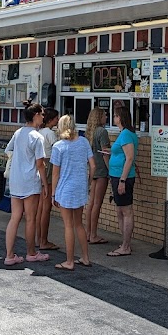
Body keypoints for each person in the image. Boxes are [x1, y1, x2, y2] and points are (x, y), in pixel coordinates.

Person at [4, 104, 50, 265]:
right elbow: (40, 164)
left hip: (15, 180)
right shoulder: (37, 137)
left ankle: (9, 255)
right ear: (36, 115)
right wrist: (45, 184)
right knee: (30, 218)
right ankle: (31, 252)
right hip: (30, 180)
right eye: (42, 114)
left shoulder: (18, 132)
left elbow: (7, 151)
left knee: (15, 217)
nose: (43, 117)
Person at [50, 114, 95, 270]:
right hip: (80, 187)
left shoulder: (58, 147)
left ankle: (69, 261)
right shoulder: (84, 142)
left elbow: (55, 173)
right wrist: (88, 182)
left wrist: (53, 193)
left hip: (65, 189)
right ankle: (85, 257)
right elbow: (93, 166)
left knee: (68, 226)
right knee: (78, 224)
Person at [106, 104, 139, 257]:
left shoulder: (126, 134)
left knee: (126, 211)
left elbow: (130, 157)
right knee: (120, 210)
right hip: (117, 174)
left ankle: (126, 246)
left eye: (115, 116)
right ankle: (125, 242)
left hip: (122, 176)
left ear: (120, 118)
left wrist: (122, 180)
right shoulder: (125, 134)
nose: (114, 118)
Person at [83, 107, 111, 245]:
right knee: (97, 204)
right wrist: (110, 170)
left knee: (91, 203)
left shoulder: (90, 132)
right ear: (100, 117)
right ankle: (93, 234)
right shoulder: (102, 132)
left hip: (92, 169)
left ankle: (88, 233)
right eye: (105, 115)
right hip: (101, 170)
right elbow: (105, 153)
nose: (106, 117)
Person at [36, 107, 60, 251]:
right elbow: (58, 151)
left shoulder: (39, 132)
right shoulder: (50, 134)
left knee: (40, 207)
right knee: (46, 207)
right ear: (51, 120)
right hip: (49, 166)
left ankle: (39, 238)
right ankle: (43, 240)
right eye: (56, 118)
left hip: (40, 166)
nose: (57, 120)